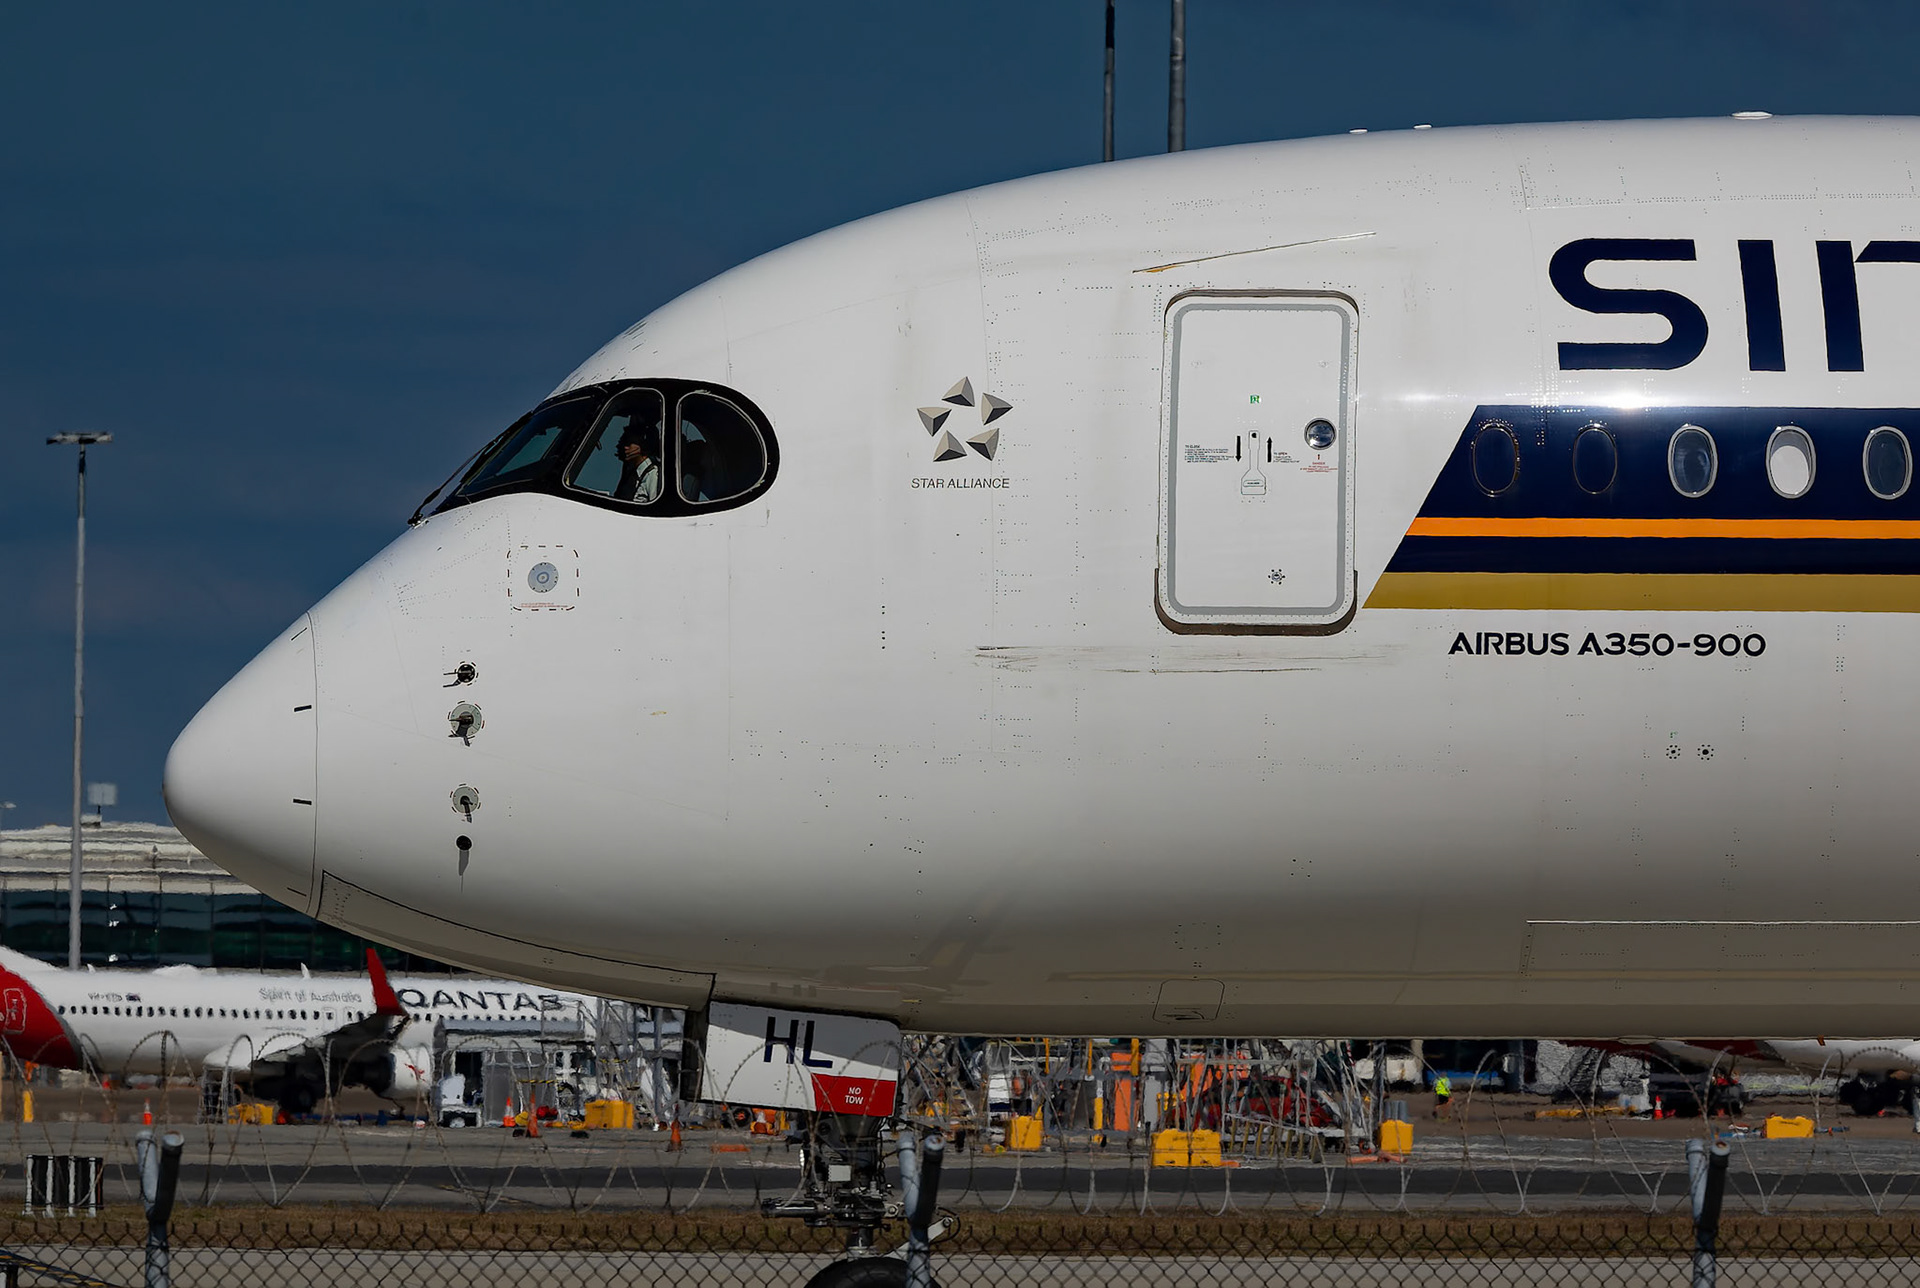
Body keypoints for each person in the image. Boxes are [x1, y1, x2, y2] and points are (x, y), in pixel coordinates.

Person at [616, 419, 663, 503]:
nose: (625, 448)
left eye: (629, 443)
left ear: (640, 446)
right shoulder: (630, 475)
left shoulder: (653, 474)